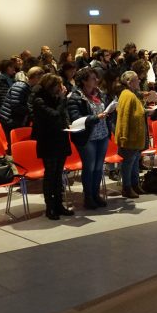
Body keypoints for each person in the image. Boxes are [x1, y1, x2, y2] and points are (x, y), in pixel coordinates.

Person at [30, 74, 73, 220]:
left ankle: (59, 204)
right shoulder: (39, 100)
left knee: (59, 174)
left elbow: (62, 115)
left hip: (60, 139)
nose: (60, 88)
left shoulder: (56, 98)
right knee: (50, 175)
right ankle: (50, 207)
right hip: (48, 141)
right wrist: (62, 99)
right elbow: (54, 115)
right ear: (50, 86)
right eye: (58, 85)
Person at [66, 68, 110, 210]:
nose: (96, 80)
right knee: (89, 167)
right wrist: (95, 118)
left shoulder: (99, 93)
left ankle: (96, 194)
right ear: (84, 81)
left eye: (96, 78)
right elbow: (76, 118)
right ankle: (88, 197)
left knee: (98, 167)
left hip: (102, 134)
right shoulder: (75, 97)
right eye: (93, 78)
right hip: (87, 137)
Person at [115, 71, 147, 198]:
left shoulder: (131, 94)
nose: (139, 81)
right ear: (129, 82)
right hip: (129, 137)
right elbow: (124, 117)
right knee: (128, 164)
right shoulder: (127, 95)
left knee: (134, 162)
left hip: (135, 137)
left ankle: (135, 184)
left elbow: (136, 112)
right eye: (136, 79)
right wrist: (124, 137)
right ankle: (127, 188)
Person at [0, 66, 44, 141]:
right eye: (41, 79)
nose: (41, 82)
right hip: (10, 119)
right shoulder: (20, 86)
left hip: (15, 118)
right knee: (14, 142)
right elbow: (15, 106)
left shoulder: (28, 87)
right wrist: (32, 110)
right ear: (35, 77)